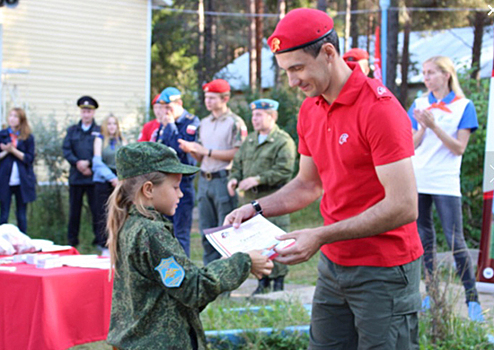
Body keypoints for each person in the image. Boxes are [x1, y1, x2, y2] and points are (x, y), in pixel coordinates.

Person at [224, 8, 424, 349]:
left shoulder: (380, 109)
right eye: (286, 70)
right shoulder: (310, 108)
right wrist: (258, 208)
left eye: (298, 68)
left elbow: (404, 206)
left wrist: (320, 235)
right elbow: (308, 184)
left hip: (384, 270)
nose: (291, 81)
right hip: (334, 265)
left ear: (328, 53)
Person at [105, 142, 273, 350]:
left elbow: (180, 290)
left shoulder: (131, 224)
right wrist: (243, 262)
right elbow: (194, 290)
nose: (181, 194)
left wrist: (224, 264)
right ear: (148, 189)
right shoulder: (151, 233)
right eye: (175, 187)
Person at [408, 56, 483, 322]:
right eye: (425, 73)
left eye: (431, 73)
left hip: (445, 181)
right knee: (424, 240)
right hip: (419, 179)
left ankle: (472, 299)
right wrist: (423, 128)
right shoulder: (418, 105)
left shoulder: (464, 106)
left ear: (446, 75)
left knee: (455, 240)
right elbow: (411, 145)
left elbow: (459, 148)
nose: (426, 78)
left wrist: (434, 126)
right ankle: (431, 295)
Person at [227, 98, 296, 294]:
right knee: (257, 243)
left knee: (277, 241)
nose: (254, 119)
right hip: (250, 202)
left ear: (272, 116)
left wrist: (258, 179)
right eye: (253, 115)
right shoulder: (249, 140)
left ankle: (279, 284)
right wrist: (233, 179)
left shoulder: (283, 141)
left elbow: (284, 170)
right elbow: (238, 164)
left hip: (274, 200)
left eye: (259, 115)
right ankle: (262, 283)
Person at [178, 79, 247, 266]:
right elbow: (201, 157)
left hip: (223, 180)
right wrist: (191, 149)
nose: (207, 101)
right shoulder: (204, 123)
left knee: (226, 231)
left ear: (225, 98)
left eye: (212, 97)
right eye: (206, 97)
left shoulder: (235, 123)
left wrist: (205, 151)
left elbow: (238, 153)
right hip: (204, 180)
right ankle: (210, 277)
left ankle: (228, 281)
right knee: (206, 232)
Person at [153, 87, 200, 257]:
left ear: (179, 104)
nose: (166, 112)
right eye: (164, 108)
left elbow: (179, 151)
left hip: (183, 185)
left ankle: (184, 274)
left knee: (181, 233)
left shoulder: (191, 122)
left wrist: (171, 125)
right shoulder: (164, 124)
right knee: (165, 231)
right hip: (165, 183)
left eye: (169, 107)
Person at [63, 96, 101, 247]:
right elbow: (66, 149)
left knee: (96, 211)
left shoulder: (98, 131)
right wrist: (77, 163)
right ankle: (72, 241)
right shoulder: (72, 130)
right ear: (80, 112)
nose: (86, 114)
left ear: (93, 113)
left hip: (93, 177)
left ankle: (99, 240)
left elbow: (101, 151)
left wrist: (89, 164)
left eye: (89, 111)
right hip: (76, 177)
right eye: (84, 111)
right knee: (74, 212)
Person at [92, 114, 127, 254]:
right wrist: (111, 178)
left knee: (119, 212)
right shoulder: (100, 139)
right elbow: (97, 163)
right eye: (109, 124)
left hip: (119, 181)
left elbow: (126, 160)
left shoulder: (122, 140)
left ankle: (117, 243)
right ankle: (104, 245)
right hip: (104, 179)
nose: (112, 126)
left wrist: (121, 179)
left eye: (114, 124)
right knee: (103, 213)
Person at [0, 108, 37, 234]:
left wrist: (13, 150)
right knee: (4, 212)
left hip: (22, 180)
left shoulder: (27, 137)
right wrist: (6, 151)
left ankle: (22, 241)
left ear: (21, 119)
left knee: (21, 214)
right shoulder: (2, 134)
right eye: (10, 116)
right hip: (4, 180)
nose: (12, 119)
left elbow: (29, 158)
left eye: (16, 116)